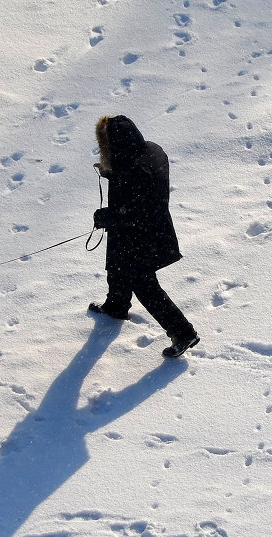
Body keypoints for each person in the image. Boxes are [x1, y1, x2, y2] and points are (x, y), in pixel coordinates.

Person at [89, 115, 200, 358]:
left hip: (142, 236)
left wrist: (107, 217)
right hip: (152, 230)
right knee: (118, 265)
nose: (102, 151)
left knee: (143, 284)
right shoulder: (151, 150)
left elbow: (133, 213)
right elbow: (144, 187)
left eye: (104, 146)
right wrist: (111, 173)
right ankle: (116, 305)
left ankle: (182, 332)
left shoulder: (132, 171)